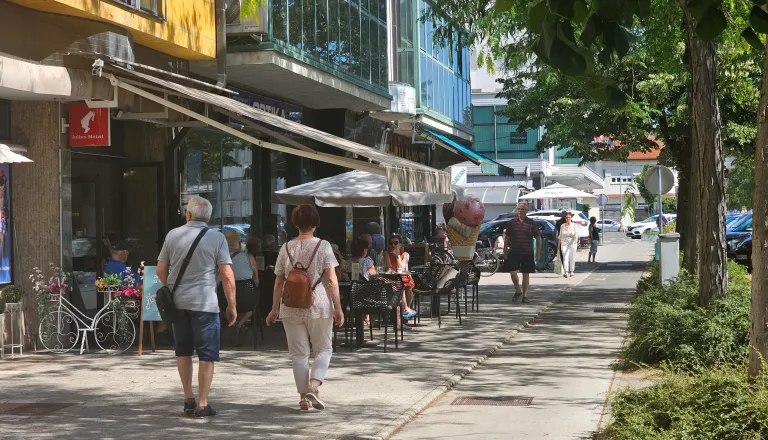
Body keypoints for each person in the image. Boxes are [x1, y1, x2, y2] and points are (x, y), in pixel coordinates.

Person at [157, 197, 236, 418]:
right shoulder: (217, 238)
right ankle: (203, 404)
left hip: (178, 305)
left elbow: (161, 270)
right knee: (206, 355)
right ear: (208, 217)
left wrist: (170, 288)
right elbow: (227, 275)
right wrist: (232, 306)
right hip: (206, 304)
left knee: (182, 351)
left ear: (188, 215)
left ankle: (188, 399)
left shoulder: (173, 235)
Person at [266, 205, 344, 411]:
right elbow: (331, 280)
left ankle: (303, 398)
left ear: (295, 224)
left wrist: (274, 309)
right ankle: (314, 385)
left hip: (290, 307)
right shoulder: (324, 246)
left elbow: (278, 282)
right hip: (318, 305)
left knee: (299, 353)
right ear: (316, 224)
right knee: (323, 349)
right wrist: (338, 307)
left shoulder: (285, 248)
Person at [221, 230, 259, 345]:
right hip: (248, 298)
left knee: (218, 304)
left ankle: (234, 321)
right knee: (253, 305)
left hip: (225, 299)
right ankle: (241, 323)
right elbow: (256, 279)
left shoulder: (220, 258)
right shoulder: (249, 256)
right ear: (239, 242)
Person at [503, 203, 542, 303]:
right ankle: (518, 290)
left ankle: (525, 296)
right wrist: (505, 251)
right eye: (519, 209)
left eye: (522, 209)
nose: (520, 211)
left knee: (526, 274)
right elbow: (507, 238)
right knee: (513, 273)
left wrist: (538, 253)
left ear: (526, 211)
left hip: (527, 252)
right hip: (514, 252)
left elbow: (538, 238)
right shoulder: (512, 223)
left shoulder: (531, 223)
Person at [385, 234, 417, 318]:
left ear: (400, 245)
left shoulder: (405, 254)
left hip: (403, 277)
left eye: (395, 243)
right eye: (391, 243)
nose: (393, 245)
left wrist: (397, 256)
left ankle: (406, 309)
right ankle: (404, 309)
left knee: (408, 285)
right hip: (391, 278)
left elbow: (402, 267)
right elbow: (389, 268)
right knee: (400, 285)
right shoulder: (386, 253)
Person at [559, 211, 579, 278]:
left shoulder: (574, 225)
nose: (568, 219)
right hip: (564, 243)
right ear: (565, 218)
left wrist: (576, 239)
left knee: (572, 257)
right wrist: (558, 247)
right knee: (565, 257)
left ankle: (572, 271)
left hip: (572, 243)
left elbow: (576, 233)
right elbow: (560, 236)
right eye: (567, 217)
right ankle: (566, 272)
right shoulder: (562, 226)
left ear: (571, 218)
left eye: (569, 217)